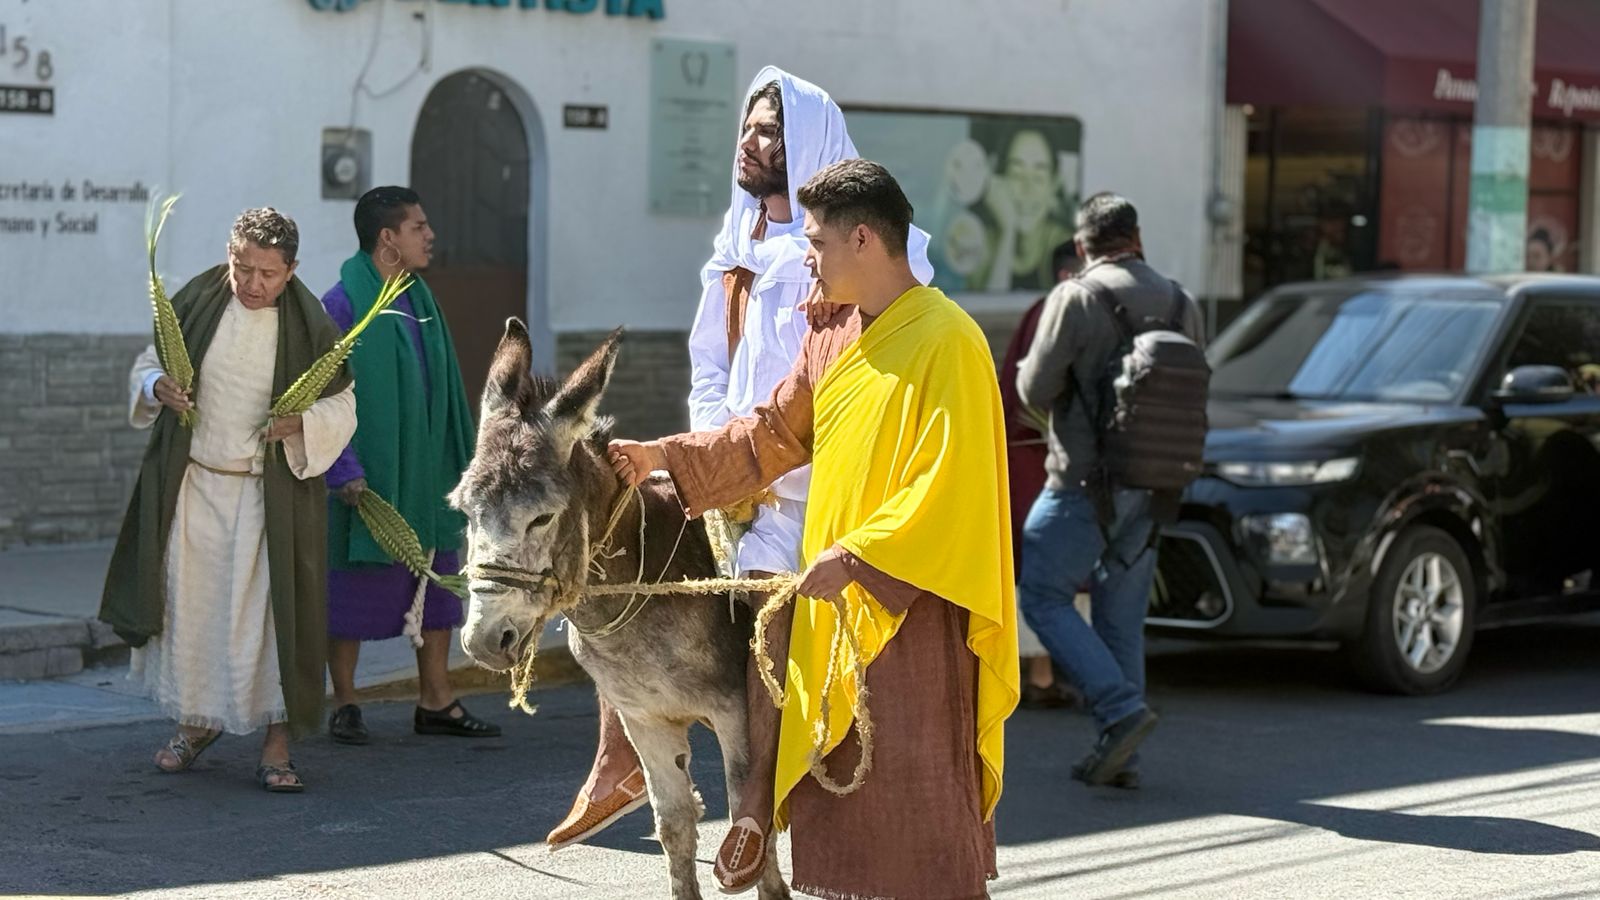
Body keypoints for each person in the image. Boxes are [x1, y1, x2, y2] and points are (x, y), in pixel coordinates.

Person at [547, 69, 934, 896]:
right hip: (735, 469)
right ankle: (621, 758)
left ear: (814, 152)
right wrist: (699, 452)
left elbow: (834, 403)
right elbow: (710, 368)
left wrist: (736, 459)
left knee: (766, 626)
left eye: (774, 134)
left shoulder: (861, 273)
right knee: (628, 555)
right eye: (749, 128)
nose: (752, 144)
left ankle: (753, 808)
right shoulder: (736, 250)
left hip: (820, 494)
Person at [610, 159, 1018, 900]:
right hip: (833, 600)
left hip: (912, 607)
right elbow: (769, 437)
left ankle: (756, 812)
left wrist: (860, 556)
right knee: (840, 812)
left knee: (919, 819)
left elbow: (949, 482)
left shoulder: (948, 339)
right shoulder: (830, 338)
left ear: (863, 239)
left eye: (818, 242)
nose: (807, 258)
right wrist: (663, 455)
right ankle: (755, 814)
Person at [100, 208, 358, 792]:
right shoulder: (199, 297)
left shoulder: (310, 323)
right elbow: (151, 361)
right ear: (230, 254)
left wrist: (299, 424)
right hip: (194, 487)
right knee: (191, 610)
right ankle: (196, 725)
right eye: (243, 267)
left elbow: (344, 405)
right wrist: (155, 386)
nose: (252, 283)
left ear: (291, 270)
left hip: (268, 499)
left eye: (267, 272)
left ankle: (276, 745)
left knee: (270, 622)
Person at [1015, 193, 1203, 789]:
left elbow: (1033, 386)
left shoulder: (1074, 295)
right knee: (1122, 619)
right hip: (1156, 486)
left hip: (1081, 484)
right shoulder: (1182, 301)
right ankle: (1121, 750)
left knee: (1042, 595)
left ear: (1080, 246)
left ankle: (1120, 713)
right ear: (1137, 237)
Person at [320, 186, 498, 744]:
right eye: (419, 226)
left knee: (438, 582)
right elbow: (322, 394)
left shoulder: (421, 299)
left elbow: (440, 389)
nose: (430, 235)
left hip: (428, 472)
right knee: (353, 584)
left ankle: (436, 699)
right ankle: (346, 701)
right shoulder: (341, 303)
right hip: (367, 477)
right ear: (387, 238)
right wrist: (342, 468)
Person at [997, 240, 1080, 710]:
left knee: (1033, 561)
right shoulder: (1059, 311)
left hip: (1028, 453)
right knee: (1044, 565)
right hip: (1040, 455)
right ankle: (1042, 675)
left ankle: (1040, 672)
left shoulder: (1041, 311)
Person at [970, 128, 1075, 293]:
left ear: (1053, 184)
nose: (1028, 190)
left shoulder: (1066, 248)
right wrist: (1008, 232)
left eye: (1039, 178)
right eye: (1016, 174)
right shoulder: (981, 245)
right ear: (999, 180)